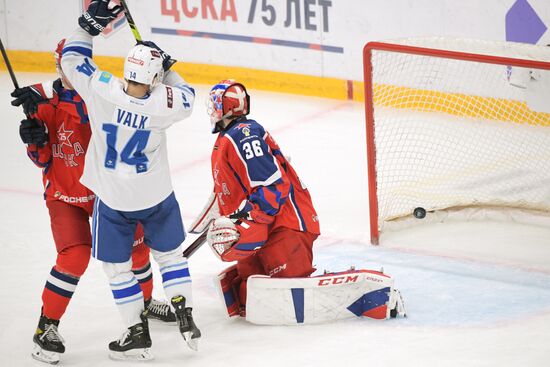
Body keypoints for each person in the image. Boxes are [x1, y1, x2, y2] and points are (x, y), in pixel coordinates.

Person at [11, 39, 177, 365]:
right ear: (59, 67)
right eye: (63, 67)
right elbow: (44, 159)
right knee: (75, 257)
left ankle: (143, 304)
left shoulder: (102, 94)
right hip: (65, 195)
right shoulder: (42, 104)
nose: (69, 73)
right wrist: (35, 140)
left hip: (106, 192)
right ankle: (47, 327)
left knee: (137, 249)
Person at [59, 0, 200, 360]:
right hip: (156, 195)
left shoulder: (101, 89)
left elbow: (71, 60)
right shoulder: (164, 103)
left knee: (117, 269)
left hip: (115, 199)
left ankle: (137, 334)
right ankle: (184, 312)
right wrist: (167, 69)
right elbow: (188, 96)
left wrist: (88, 27)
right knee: (169, 256)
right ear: (153, 79)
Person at [205, 79, 321, 314]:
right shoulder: (226, 139)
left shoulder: (243, 135)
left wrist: (244, 221)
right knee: (251, 297)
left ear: (224, 108)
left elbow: (272, 186)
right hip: (262, 227)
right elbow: (228, 191)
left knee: (289, 295)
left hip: (283, 224)